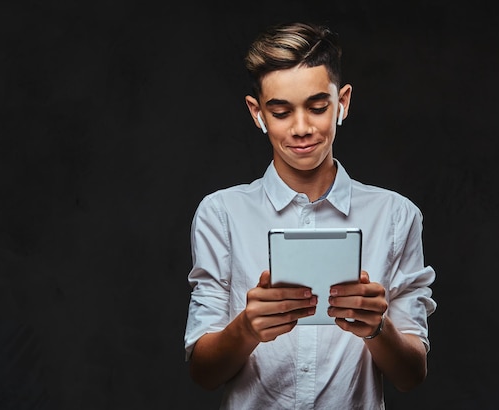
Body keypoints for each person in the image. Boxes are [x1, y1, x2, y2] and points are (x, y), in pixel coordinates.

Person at [184, 21, 437, 409]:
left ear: (343, 103)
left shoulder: (396, 216)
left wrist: (378, 328)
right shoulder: (221, 215)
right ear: (258, 114)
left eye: (317, 107)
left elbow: (411, 375)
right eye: (281, 112)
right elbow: (202, 373)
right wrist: (247, 328)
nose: (301, 128)